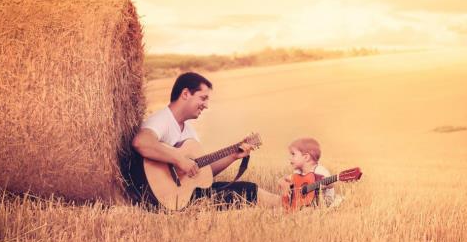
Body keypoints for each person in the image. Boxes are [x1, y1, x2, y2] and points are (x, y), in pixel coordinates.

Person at [129, 72, 281, 208]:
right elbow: (141, 142)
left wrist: (233, 155)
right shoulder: (162, 119)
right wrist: (179, 159)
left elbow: (201, 174)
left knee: (239, 190)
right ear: (186, 94)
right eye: (203, 98)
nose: (206, 105)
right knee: (244, 190)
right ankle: (288, 203)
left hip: (180, 197)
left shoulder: (188, 132)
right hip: (156, 197)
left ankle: (285, 202)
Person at [279, 137, 336, 207]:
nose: (289, 158)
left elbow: (331, 184)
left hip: (322, 205)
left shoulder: (320, 171)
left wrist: (324, 185)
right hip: (304, 204)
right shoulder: (298, 172)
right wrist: (283, 182)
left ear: (306, 157)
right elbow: (284, 179)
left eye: (293, 154)